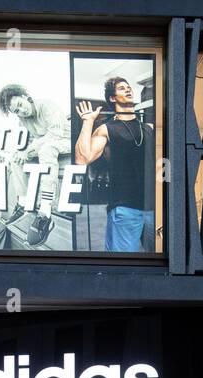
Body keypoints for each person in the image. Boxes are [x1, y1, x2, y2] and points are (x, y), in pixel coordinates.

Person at [75, 76, 155, 252]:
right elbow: (83, 158)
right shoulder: (107, 129)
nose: (128, 89)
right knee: (123, 268)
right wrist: (88, 123)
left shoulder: (148, 129)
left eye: (128, 87)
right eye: (121, 88)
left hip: (154, 208)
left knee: (163, 266)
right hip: (125, 208)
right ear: (112, 98)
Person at [0, 84, 71, 247]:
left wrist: (30, 150)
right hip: (45, 146)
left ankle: (45, 213)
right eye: (16, 111)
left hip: (67, 141)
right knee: (16, 158)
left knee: (46, 150)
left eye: (20, 105)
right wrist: (21, 152)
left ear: (26, 98)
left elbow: (55, 134)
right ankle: (24, 204)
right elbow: (28, 142)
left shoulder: (47, 105)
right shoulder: (23, 120)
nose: (21, 111)